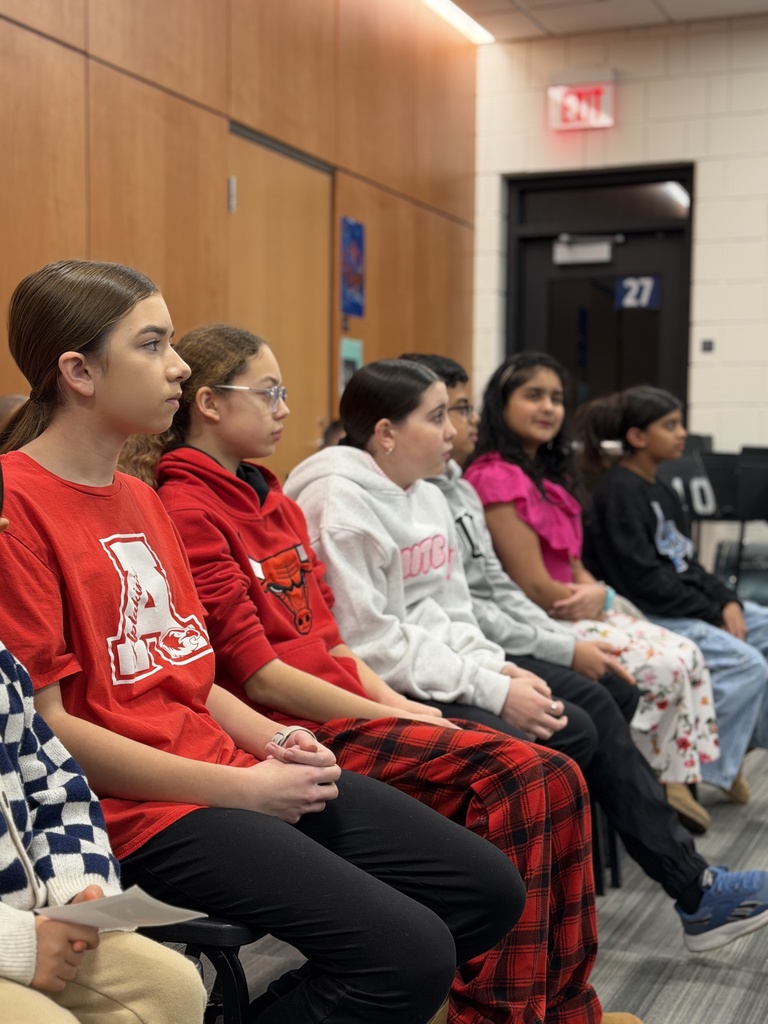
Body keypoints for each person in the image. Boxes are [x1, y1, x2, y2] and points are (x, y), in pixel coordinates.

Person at [0, 260, 526, 1024]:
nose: (178, 366)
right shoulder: (17, 507)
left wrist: (279, 741)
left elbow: (190, 676)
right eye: (152, 345)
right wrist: (246, 789)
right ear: (79, 371)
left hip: (223, 767)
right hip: (139, 809)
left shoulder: (142, 498)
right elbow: (48, 730)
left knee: (485, 890)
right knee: (409, 956)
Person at [119, 321, 637, 1024]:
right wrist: (390, 715)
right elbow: (260, 676)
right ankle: (494, 1011)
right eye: (269, 393)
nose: (285, 410)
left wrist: (407, 708)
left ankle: (566, 1007)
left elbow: (335, 643)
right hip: (290, 722)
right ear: (210, 405)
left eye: (285, 393)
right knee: (527, 777)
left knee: (557, 774)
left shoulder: (274, 498)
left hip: (336, 702)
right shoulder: (185, 503)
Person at [285, 355, 768, 955]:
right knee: (568, 734)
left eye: (455, 413)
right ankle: (535, 933)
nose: (454, 432)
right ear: (386, 433)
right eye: (439, 416)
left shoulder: (426, 492)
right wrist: (493, 684)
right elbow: (373, 644)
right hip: (384, 687)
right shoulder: (340, 504)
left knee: (581, 718)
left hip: (452, 663)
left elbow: (457, 610)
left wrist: (499, 669)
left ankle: (621, 912)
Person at [463, 353, 721, 832]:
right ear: (502, 404)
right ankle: (654, 784)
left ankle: (666, 778)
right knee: (661, 665)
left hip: (574, 604)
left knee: (684, 651)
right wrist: (588, 599)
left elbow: (575, 563)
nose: (548, 408)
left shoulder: (551, 473)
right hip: (545, 614)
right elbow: (533, 585)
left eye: (556, 398)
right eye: (533, 395)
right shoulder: (495, 474)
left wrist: (598, 594)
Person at [0, 464, 207, 1024]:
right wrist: (19, 945)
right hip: (11, 934)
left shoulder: (1, 666)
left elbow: (55, 784)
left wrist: (79, 886)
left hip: (38, 911)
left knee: (171, 986)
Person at [577, 384, 768, 804]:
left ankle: (735, 752)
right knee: (748, 664)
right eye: (670, 425)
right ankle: (697, 770)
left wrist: (726, 601)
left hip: (683, 603)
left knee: (765, 628)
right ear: (637, 437)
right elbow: (645, 584)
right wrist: (713, 614)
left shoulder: (662, 490)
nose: (682, 433)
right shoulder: (619, 493)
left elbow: (688, 565)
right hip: (649, 612)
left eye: (680, 423)